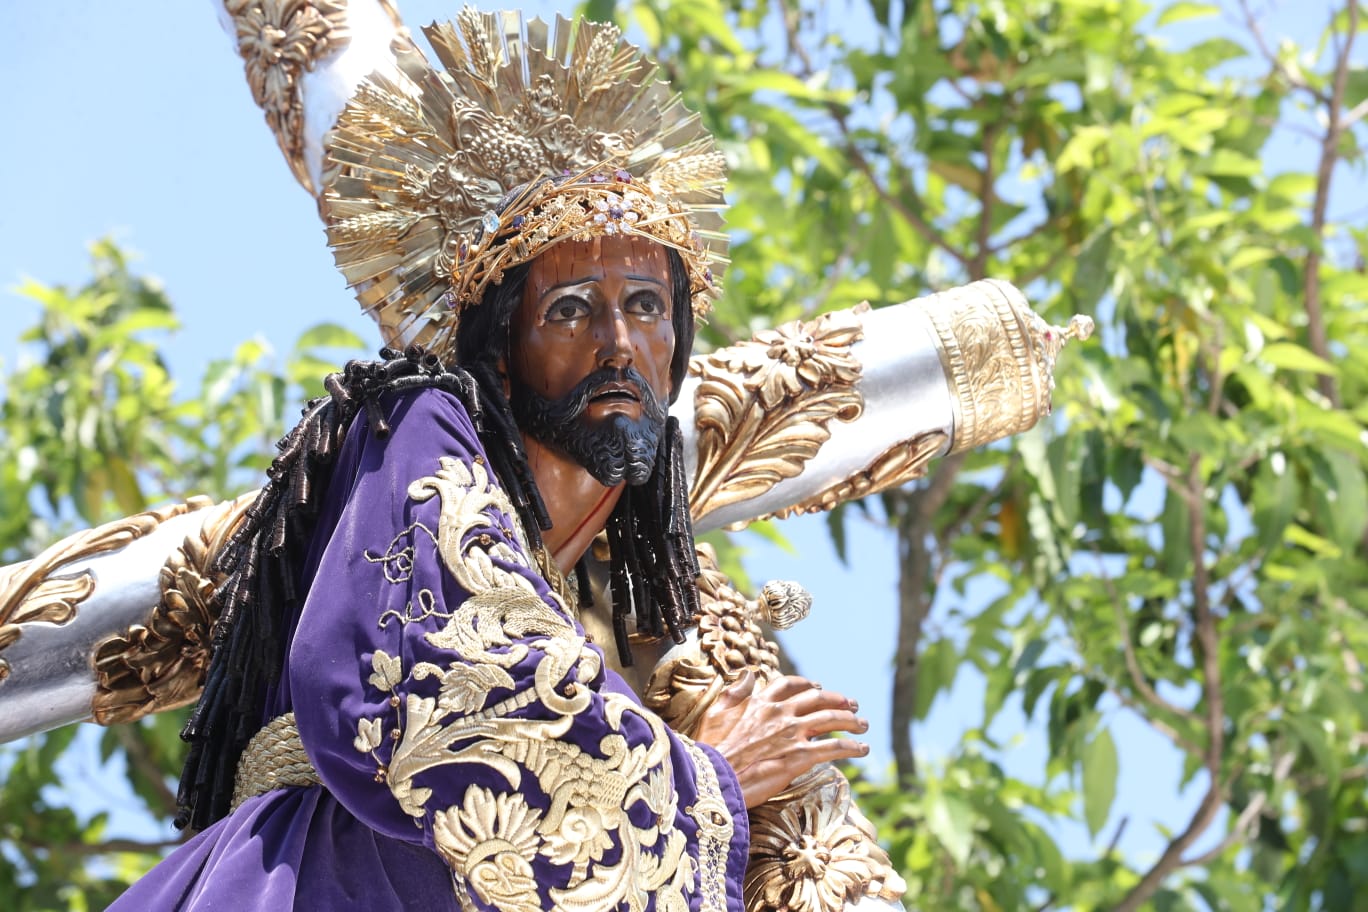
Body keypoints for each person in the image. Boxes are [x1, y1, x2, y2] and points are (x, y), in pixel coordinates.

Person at [107, 16, 869, 905]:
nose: (620, 344)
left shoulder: (583, 573)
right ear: (501, 345)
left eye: (649, 306)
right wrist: (715, 779)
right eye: (573, 309)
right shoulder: (422, 425)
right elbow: (467, 702)